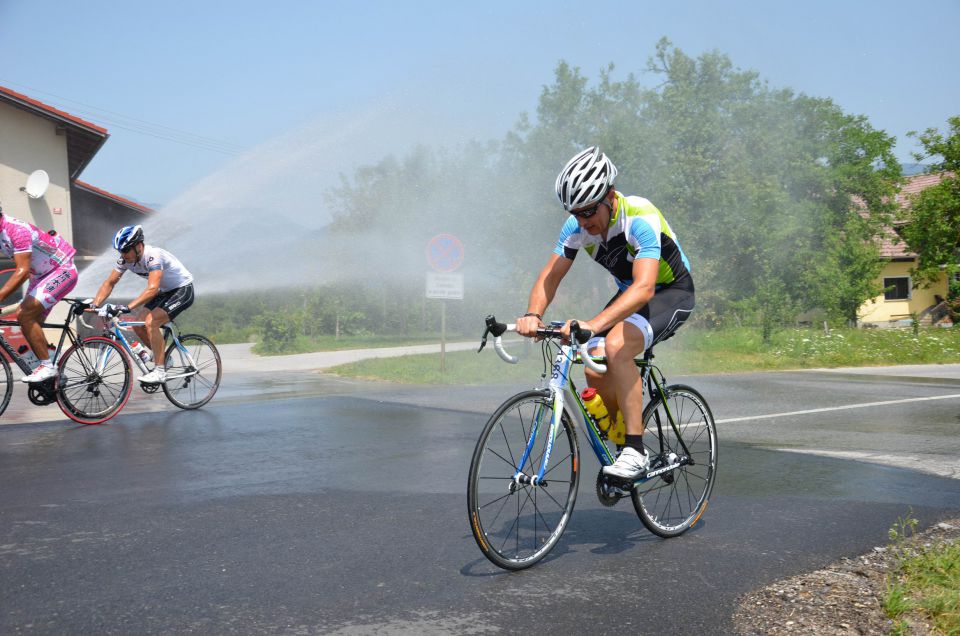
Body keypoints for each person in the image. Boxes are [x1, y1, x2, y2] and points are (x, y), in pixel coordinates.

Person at [516, 146, 695, 480]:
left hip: (670, 291)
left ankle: (635, 451)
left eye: (589, 212)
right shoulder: (575, 228)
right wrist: (533, 315)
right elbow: (550, 277)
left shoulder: (639, 216)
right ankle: (619, 437)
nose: (584, 221)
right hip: (632, 295)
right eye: (576, 213)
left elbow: (644, 287)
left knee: (615, 347)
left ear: (610, 196)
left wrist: (594, 323)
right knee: (592, 357)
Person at [92, 225, 194, 384]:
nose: (123, 255)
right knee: (138, 324)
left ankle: (160, 371)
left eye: (126, 250)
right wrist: (95, 304)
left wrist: (127, 307)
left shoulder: (153, 256)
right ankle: (164, 359)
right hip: (165, 291)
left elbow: (152, 289)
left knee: (151, 322)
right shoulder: (125, 260)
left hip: (182, 290)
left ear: (138, 246)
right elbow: (110, 283)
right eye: (121, 252)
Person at [0, 203, 79, 382]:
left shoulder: (16, 230)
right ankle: (50, 362)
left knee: (24, 314)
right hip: (41, 275)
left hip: (61, 269)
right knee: (31, 321)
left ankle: (47, 367)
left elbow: (22, 271)